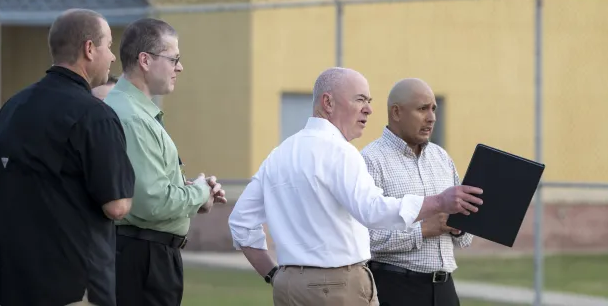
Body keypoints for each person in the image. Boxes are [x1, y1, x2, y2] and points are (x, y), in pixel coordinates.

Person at [228, 67, 483, 306]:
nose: (369, 110)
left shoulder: (278, 155)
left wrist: (274, 275)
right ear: (328, 103)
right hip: (339, 287)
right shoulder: (341, 151)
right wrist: (438, 202)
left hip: (288, 286)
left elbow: (240, 222)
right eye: (360, 100)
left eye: (369, 102)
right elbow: (372, 211)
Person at [0, 9, 136, 306]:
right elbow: (117, 205)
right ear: (89, 49)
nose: (112, 57)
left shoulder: (12, 108)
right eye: (108, 46)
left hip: (1, 278)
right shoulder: (95, 115)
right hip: (70, 286)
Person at [105, 18, 226, 306]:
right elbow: (151, 202)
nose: (179, 67)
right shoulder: (133, 118)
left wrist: (190, 191)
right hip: (144, 259)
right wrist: (199, 192)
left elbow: (142, 187)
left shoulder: (133, 111)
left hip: (143, 255)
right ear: (145, 60)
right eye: (174, 59)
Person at [361, 78, 472, 306]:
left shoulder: (442, 158)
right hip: (396, 289)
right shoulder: (369, 161)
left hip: (445, 290)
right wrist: (421, 230)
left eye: (433, 109)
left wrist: (460, 226)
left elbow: (466, 239)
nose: (431, 117)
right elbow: (364, 239)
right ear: (397, 112)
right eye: (422, 109)